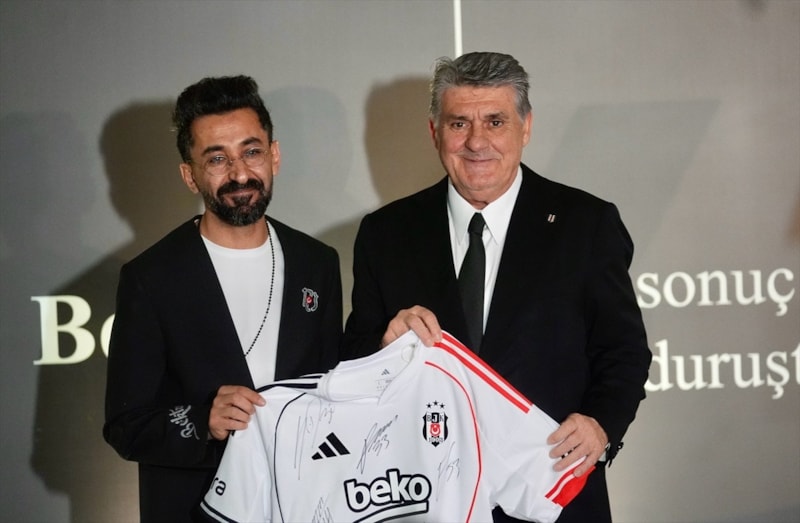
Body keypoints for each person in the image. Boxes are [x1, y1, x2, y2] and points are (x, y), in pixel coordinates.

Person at [342, 52, 651, 522]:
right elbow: (352, 357)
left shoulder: (586, 224)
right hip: (426, 501)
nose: (476, 142)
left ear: (526, 128)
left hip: (553, 493)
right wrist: (384, 344)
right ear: (434, 132)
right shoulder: (386, 233)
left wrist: (600, 425)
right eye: (459, 124)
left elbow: (624, 351)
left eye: (495, 121)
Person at [103, 75, 343, 522]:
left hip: (303, 505)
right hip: (196, 509)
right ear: (189, 175)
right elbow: (125, 425)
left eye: (251, 152)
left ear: (274, 155)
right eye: (217, 159)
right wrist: (203, 422)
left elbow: (331, 391)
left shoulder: (317, 262)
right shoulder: (150, 278)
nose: (239, 174)